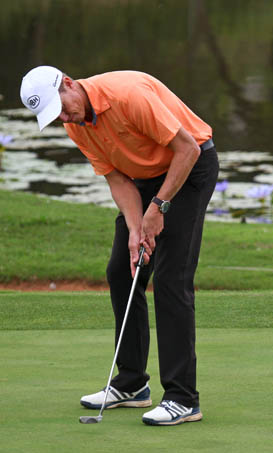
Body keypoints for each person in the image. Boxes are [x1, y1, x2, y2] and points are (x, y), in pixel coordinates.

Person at [19, 66, 219, 426]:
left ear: (68, 84)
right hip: (143, 179)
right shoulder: (76, 124)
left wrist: (159, 207)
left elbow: (187, 149)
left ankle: (182, 398)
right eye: (54, 116)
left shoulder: (127, 95)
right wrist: (134, 229)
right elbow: (117, 179)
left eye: (61, 108)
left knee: (171, 279)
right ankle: (131, 384)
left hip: (188, 168)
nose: (63, 118)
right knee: (123, 271)